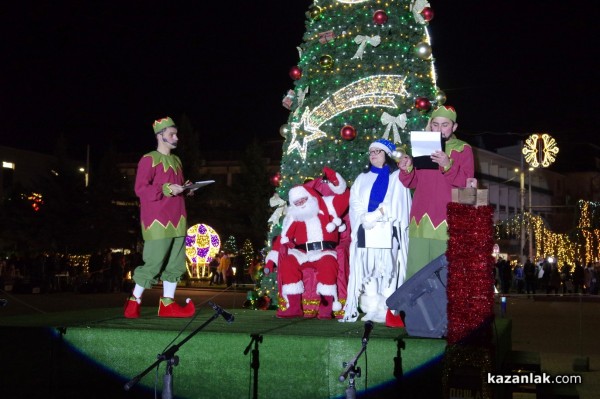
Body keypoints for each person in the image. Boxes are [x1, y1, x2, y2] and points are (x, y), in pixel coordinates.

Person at [124, 116, 196, 319]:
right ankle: (133, 302)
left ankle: (168, 304)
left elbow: (176, 187)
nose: (176, 137)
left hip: (179, 218)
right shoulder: (149, 159)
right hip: (157, 220)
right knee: (153, 263)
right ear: (160, 136)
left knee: (176, 263)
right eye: (172, 134)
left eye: (176, 133)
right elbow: (140, 189)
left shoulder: (176, 160)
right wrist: (166, 188)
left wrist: (186, 189)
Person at [398, 105, 474, 280]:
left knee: (444, 276)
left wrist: (448, 164)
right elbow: (413, 182)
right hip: (419, 221)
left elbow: (468, 185)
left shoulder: (463, 149)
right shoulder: (423, 146)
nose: (440, 129)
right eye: (435, 124)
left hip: (447, 221)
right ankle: (414, 308)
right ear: (430, 125)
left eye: (445, 125)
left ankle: (444, 308)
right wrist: (407, 169)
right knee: (416, 275)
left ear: (454, 127)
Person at [341, 139, 411, 325]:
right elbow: (354, 201)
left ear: (387, 155)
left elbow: (395, 200)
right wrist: (364, 217)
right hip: (365, 229)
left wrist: (378, 214)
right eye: (371, 152)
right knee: (368, 269)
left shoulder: (396, 176)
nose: (373, 155)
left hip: (387, 229)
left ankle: (386, 308)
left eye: (378, 151)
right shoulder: (362, 178)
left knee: (387, 269)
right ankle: (371, 307)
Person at [276, 167, 350, 319]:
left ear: (309, 197)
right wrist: (285, 245)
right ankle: (294, 307)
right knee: (288, 262)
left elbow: (344, 196)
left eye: (303, 199)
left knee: (328, 264)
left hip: (324, 250)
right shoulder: (295, 216)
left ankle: (326, 308)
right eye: (297, 202)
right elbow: (285, 237)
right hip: (302, 252)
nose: (301, 204)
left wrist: (335, 180)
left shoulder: (327, 205)